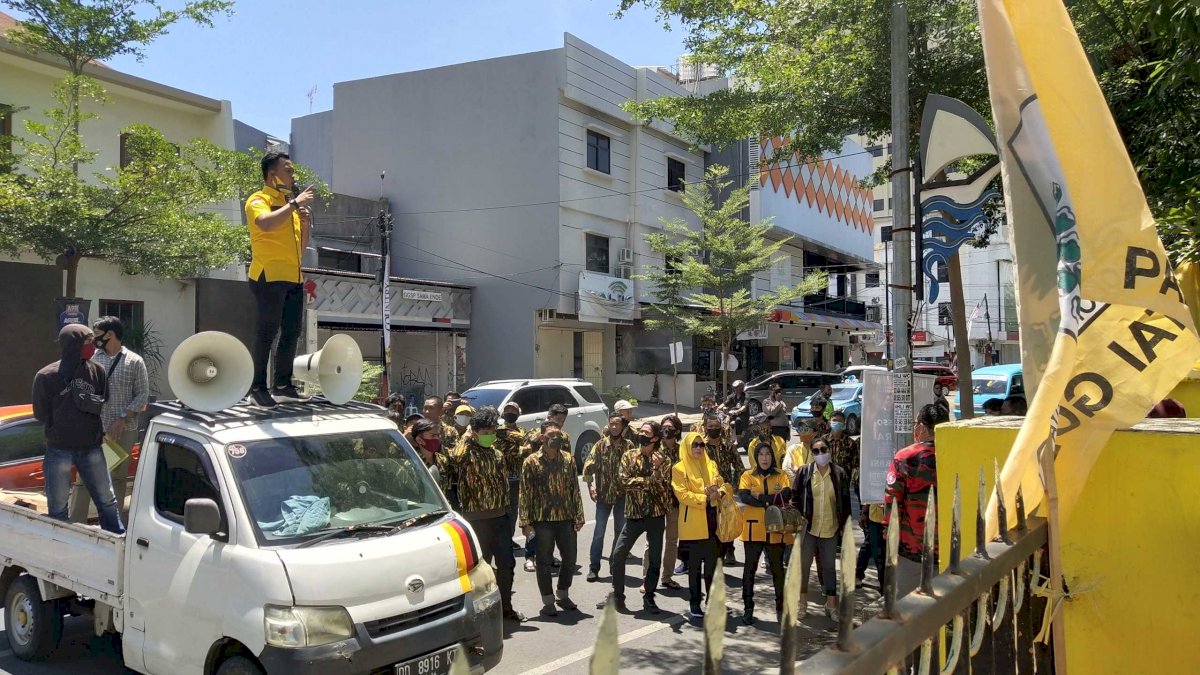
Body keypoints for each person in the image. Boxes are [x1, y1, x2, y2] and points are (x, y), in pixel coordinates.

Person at [32, 324, 124, 534]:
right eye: (87, 342)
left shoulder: (97, 371)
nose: (93, 346)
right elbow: (40, 413)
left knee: (107, 500)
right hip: (59, 449)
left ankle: (117, 541)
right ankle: (61, 546)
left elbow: (103, 400)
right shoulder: (46, 376)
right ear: (72, 345)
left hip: (92, 447)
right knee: (57, 507)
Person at [244, 150, 315, 407]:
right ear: (272, 174)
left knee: (292, 332)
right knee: (267, 332)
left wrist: (304, 223)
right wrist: (294, 204)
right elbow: (264, 223)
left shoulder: (289, 206)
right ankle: (257, 388)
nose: (293, 175)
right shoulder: (258, 199)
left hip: (294, 277)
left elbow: (301, 248)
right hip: (269, 275)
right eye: (288, 170)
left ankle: (283, 386)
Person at [447, 406, 524, 622]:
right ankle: (481, 613)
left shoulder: (496, 454)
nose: (490, 435)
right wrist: (467, 436)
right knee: (481, 569)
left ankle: (506, 607)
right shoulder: (466, 453)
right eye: (485, 431)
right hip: (476, 520)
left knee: (507, 564)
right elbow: (455, 458)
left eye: (492, 431)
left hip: (500, 517)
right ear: (475, 432)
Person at [75, 316, 148, 522]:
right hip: (93, 429)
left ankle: (112, 525)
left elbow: (142, 395)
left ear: (110, 334)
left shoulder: (134, 361)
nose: (94, 339)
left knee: (116, 478)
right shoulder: (91, 359)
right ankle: (75, 523)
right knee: (84, 478)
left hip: (122, 431)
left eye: (97, 334)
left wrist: (123, 418)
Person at [600, 421, 673, 614]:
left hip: (656, 515)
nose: (641, 434)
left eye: (646, 432)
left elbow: (664, 488)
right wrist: (650, 481)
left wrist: (656, 470)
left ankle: (649, 596)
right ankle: (618, 596)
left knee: (655, 559)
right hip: (634, 514)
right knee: (618, 555)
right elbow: (624, 481)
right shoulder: (629, 456)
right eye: (640, 431)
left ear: (655, 438)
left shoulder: (664, 460)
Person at [519, 420, 584, 617]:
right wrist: (525, 522)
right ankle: (548, 601)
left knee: (570, 558)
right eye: (551, 435)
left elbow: (574, 488)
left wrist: (579, 514)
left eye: (558, 435)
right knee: (544, 562)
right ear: (542, 438)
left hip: (566, 517)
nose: (556, 438)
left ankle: (562, 594)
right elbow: (525, 492)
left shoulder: (568, 459)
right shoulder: (531, 462)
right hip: (542, 519)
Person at [884, 403, 948, 595]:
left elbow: (892, 501)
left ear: (922, 427)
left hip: (912, 550)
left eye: (915, 423)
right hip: (949, 549)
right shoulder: (956, 453)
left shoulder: (905, 457)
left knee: (908, 606)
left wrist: (889, 538)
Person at [673, 425, 732, 620]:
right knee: (695, 567)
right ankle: (695, 602)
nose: (698, 448)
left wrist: (719, 492)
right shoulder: (679, 468)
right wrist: (705, 498)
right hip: (693, 525)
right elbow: (682, 494)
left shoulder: (711, 464)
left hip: (713, 521)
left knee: (713, 566)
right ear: (687, 447)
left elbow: (723, 485)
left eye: (701, 445)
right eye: (695, 445)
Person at [791, 437, 851, 620]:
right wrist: (797, 517)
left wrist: (845, 527)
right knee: (803, 566)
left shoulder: (839, 473)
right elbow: (795, 498)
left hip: (830, 528)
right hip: (808, 528)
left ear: (829, 450)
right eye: (816, 451)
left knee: (829, 568)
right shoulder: (805, 472)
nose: (820, 454)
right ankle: (802, 604)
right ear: (812, 453)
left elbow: (845, 503)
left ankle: (831, 605)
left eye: (823, 449)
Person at [737, 443, 794, 625]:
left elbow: (786, 495)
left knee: (777, 570)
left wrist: (761, 497)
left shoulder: (781, 475)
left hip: (776, 530)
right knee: (749, 571)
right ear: (756, 457)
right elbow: (745, 497)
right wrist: (771, 501)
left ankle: (781, 607)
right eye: (761, 454)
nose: (764, 458)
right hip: (753, 531)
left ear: (772, 456)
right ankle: (748, 608)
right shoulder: (747, 475)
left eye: (768, 454)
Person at [582, 414, 630, 582]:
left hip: (622, 496)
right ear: (608, 426)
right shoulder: (600, 445)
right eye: (612, 424)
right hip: (603, 496)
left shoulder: (629, 446)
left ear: (623, 426)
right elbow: (588, 467)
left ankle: (614, 563)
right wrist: (590, 486)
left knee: (620, 532)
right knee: (599, 532)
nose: (614, 427)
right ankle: (594, 567)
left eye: (618, 424)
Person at [698, 412, 744, 566]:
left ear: (721, 428)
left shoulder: (728, 446)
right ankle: (711, 554)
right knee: (710, 523)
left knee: (727, 520)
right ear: (706, 428)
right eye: (710, 426)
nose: (713, 429)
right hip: (708, 491)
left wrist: (734, 486)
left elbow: (739, 466)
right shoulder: (701, 447)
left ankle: (729, 550)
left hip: (725, 490)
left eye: (716, 426)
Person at [650, 415, 683, 589]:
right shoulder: (654, 449)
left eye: (670, 428)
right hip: (656, 502)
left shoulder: (683, 451)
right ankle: (647, 579)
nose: (666, 431)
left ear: (677, 431)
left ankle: (667, 577)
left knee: (671, 541)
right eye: (663, 427)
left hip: (674, 502)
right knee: (652, 542)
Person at [496, 402, 532, 559]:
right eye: (507, 410)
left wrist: (522, 448)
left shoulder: (523, 431)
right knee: (503, 510)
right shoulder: (498, 431)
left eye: (513, 410)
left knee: (514, 511)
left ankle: (508, 539)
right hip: (502, 477)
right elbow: (502, 449)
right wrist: (522, 448)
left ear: (519, 413)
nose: (510, 413)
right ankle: (502, 541)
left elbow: (529, 447)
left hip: (518, 477)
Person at [406, 418, 449, 490]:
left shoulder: (443, 460)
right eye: (433, 435)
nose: (437, 438)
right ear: (419, 440)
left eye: (438, 435)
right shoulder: (412, 464)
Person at [855, 501, 886, 593]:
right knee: (872, 550)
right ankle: (858, 575)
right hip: (875, 520)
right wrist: (864, 513)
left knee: (874, 551)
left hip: (889, 520)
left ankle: (884, 586)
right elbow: (870, 496)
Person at [827, 411, 859, 496]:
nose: (837, 423)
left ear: (844, 424)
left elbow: (855, 464)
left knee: (843, 502)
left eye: (840, 421)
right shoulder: (823, 441)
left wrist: (853, 482)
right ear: (829, 422)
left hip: (844, 482)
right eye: (834, 420)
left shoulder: (850, 443)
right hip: (826, 480)